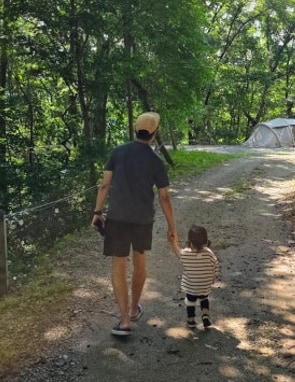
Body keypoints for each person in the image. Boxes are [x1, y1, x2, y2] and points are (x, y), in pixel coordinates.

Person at [92, 111, 179, 337]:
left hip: (117, 218)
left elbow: (104, 185)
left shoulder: (118, 152)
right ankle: (133, 310)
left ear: (135, 130)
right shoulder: (155, 160)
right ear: (154, 133)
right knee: (140, 263)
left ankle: (123, 321)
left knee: (118, 266)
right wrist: (172, 227)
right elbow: (164, 197)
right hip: (142, 220)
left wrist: (97, 211)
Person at [179, 225, 218, 330]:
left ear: (189, 240)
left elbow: (178, 253)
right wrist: (213, 276)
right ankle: (205, 315)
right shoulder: (209, 253)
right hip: (204, 284)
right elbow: (215, 264)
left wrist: (173, 241)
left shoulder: (185, 253)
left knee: (190, 301)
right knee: (204, 298)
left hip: (191, 285)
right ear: (205, 240)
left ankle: (191, 320)